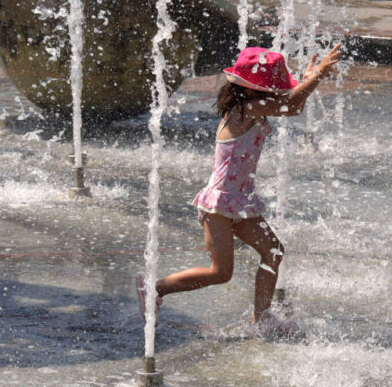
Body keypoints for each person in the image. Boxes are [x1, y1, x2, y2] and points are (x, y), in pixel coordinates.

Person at [137, 44, 342, 336]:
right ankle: (155, 289)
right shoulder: (246, 109)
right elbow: (292, 105)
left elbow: (292, 105)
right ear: (251, 90)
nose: (275, 93)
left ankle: (263, 319)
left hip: (241, 202)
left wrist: (309, 79)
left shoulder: (253, 107)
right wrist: (318, 75)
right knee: (220, 273)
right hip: (219, 205)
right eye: (269, 88)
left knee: (273, 251)